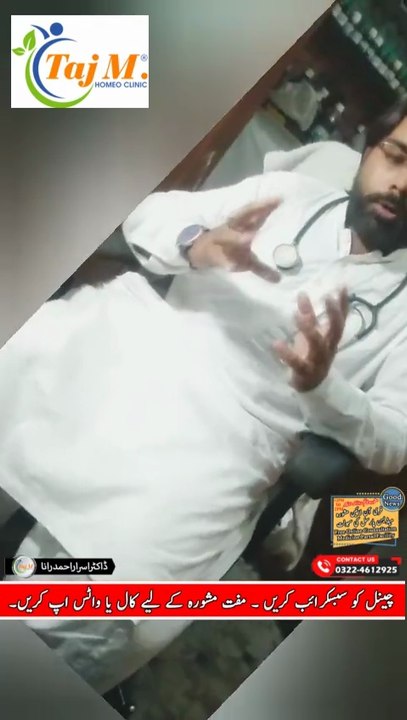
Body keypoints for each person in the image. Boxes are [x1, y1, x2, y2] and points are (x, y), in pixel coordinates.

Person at [1, 99, 407, 690]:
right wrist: (197, 242)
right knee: (19, 365)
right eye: (396, 156)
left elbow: (395, 441)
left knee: (108, 591)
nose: (401, 183)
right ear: (369, 149)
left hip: (229, 439)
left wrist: (325, 389)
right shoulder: (288, 194)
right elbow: (149, 215)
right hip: (137, 341)